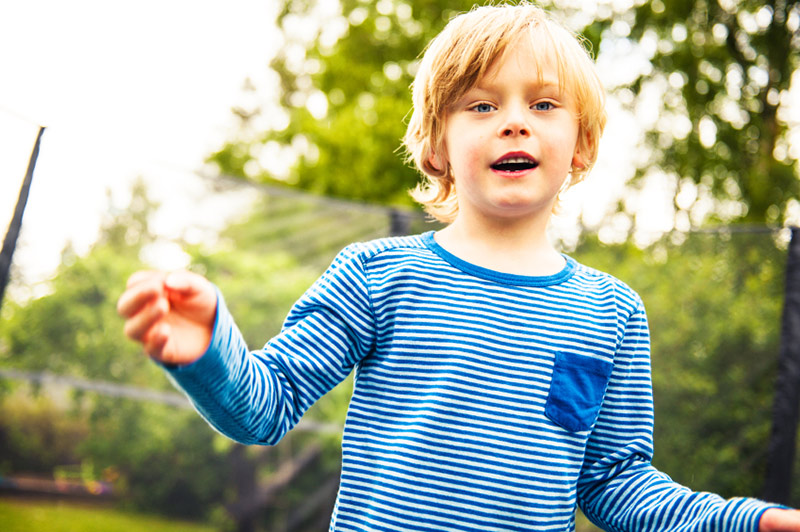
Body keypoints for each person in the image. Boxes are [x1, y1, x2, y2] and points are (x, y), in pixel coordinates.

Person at [117, 3, 800, 530]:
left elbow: (615, 482)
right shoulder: (376, 276)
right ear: (436, 146)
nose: (514, 122)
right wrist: (208, 352)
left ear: (581, 145)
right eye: (481, 104)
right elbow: (263, 407)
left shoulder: (610, 312)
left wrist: (744, 518)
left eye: (543, 103)